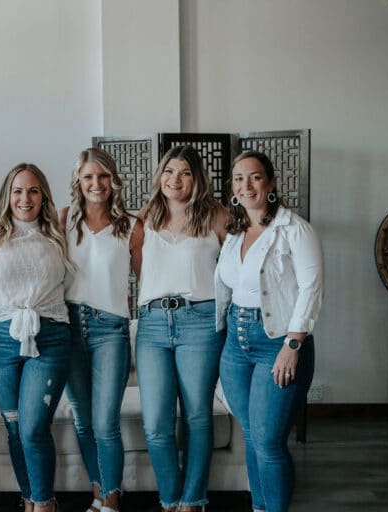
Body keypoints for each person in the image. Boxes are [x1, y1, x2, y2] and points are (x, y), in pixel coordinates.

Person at [216, 151, 323, 512]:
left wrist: (293, 345)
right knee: (251, 436)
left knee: (268, 442)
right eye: (238, 178)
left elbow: (311, 288)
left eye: (255, 177)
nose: (246, 185)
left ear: (271, 182)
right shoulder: (235, 232)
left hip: (277, 341)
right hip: (236, 344)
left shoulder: (296, 229)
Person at [135, 145, 228, 512]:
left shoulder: (216, 215)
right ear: (161, 175)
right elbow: (139, 270)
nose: (175, 179)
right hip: (153, 325)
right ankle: (170, 499)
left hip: (200, 322)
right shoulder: (145, 217)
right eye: (169, 171)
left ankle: (192, 501)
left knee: (197, 417)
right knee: (156, 424)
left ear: (197, 178)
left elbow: (238, 265)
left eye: (185, 172)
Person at [0, 163, 72, 512]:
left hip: (49, 336)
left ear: (43, 196)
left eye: (33, 191)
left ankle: (45, 504)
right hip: (0, 340)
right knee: (15, 428)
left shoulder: (59, 231)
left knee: (33, 428)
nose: (25, 198)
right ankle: (30, 499)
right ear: (7, 195)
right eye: (17, 191)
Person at [59, 148, 143, 512]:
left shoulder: (132, 225)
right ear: (78, 181)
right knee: (83, 420)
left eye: (103, 176)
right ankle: (99, 491)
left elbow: (147, 281)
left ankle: (111, 499)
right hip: (68, 326)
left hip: (111, 329)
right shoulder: (63, 220)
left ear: (113, 180)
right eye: (89, 176)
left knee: (105, 422)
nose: (96, 183)